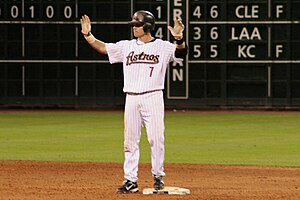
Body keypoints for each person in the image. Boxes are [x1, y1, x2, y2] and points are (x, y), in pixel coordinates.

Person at [80, 10, 187, 193]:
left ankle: (158, 177)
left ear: (147, 26)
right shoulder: (127, 46)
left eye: (137, 25)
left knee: (156, 139)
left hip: (153, 96)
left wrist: (178, 38)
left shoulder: (162, 46)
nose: (134, 28)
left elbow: (181, 55)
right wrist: (88, 35)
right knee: (129, 142)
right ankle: (130, 180)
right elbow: (103, 48)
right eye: (134, 25)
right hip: (131, 97)